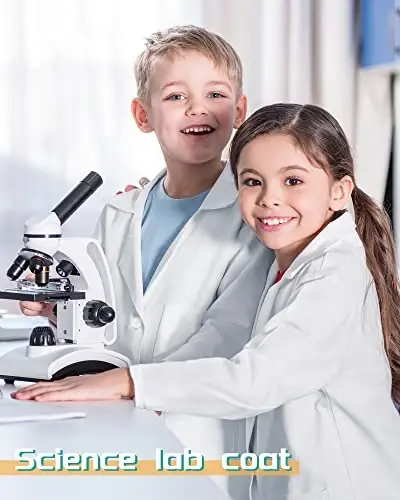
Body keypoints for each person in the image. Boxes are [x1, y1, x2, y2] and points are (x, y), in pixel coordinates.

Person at [15, 103, 400, 500]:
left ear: (339, 191)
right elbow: (222, 333)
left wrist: (130, 383)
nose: (270, 198)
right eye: (252, 181)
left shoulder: (332, 276)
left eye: (293, 181)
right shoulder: (283, 261)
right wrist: (110, 364)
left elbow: (256, 380)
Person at [17, 25, 274, 500]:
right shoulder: (120, 212)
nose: (197, 108)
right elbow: (110, 320)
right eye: (176, 96)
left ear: (239, 111)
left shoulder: (253, 217)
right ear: (143, 115)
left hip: (199, 437)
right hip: (115, 424)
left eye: (215, 94)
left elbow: (226, 337)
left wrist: (130, 384)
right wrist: (61, 308)